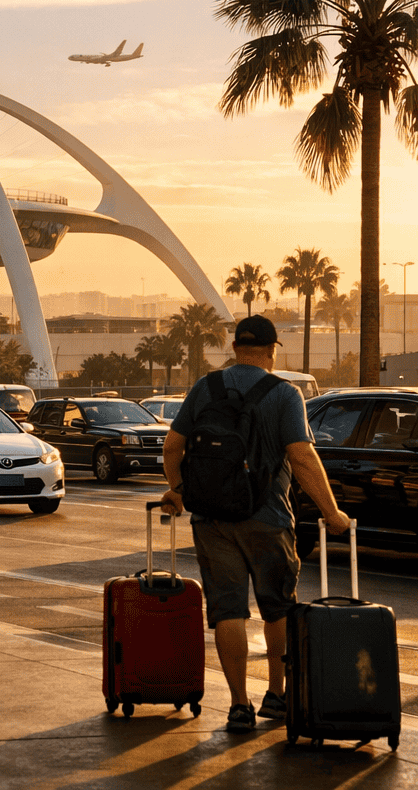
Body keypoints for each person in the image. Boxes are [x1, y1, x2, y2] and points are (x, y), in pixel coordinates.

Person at [160, 314, 350, 733]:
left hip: (211, 520)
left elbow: (172, 448)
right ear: (271, 350)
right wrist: (331, 512)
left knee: (228, 611)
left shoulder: (204, 388)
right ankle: (277, 695)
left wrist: (180, 490)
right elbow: (301, 456)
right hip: (268, 518)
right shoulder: (284, 394)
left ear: (234, 349)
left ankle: (238, 705)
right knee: (277, 606)